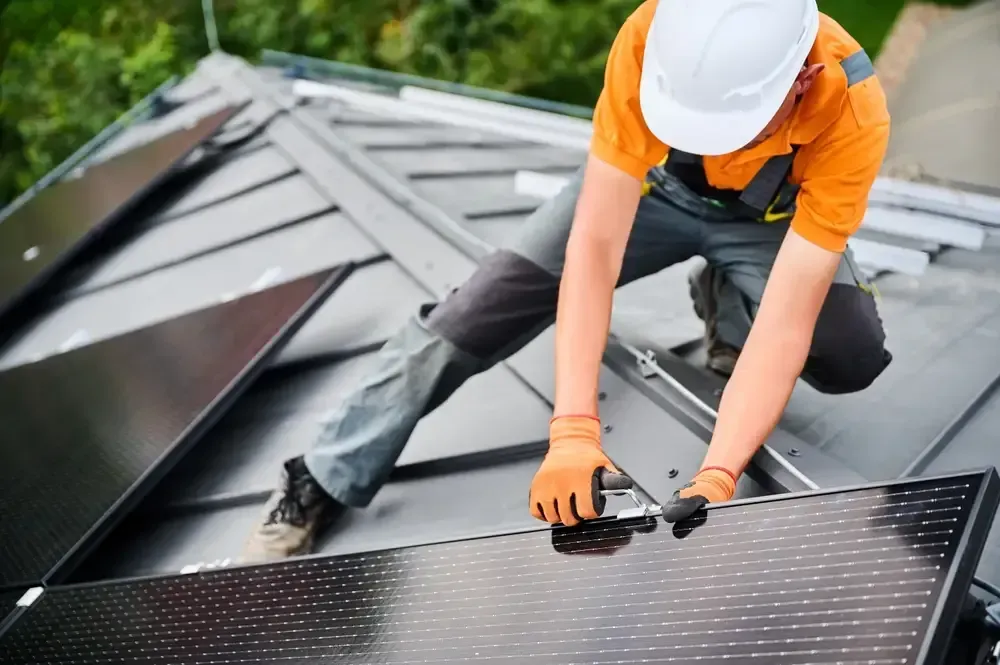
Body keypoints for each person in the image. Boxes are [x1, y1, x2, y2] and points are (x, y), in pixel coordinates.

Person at [240, 0, 893, 562]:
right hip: (650, 195)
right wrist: (574, 427)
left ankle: (726, 293)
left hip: (769, 222)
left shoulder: (852, 111)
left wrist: (719, 472)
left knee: (848, 351)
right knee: (471, 316)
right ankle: (323, 474)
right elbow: (595, 248)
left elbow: (786, 324)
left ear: (802, 81)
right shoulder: (653, 38)